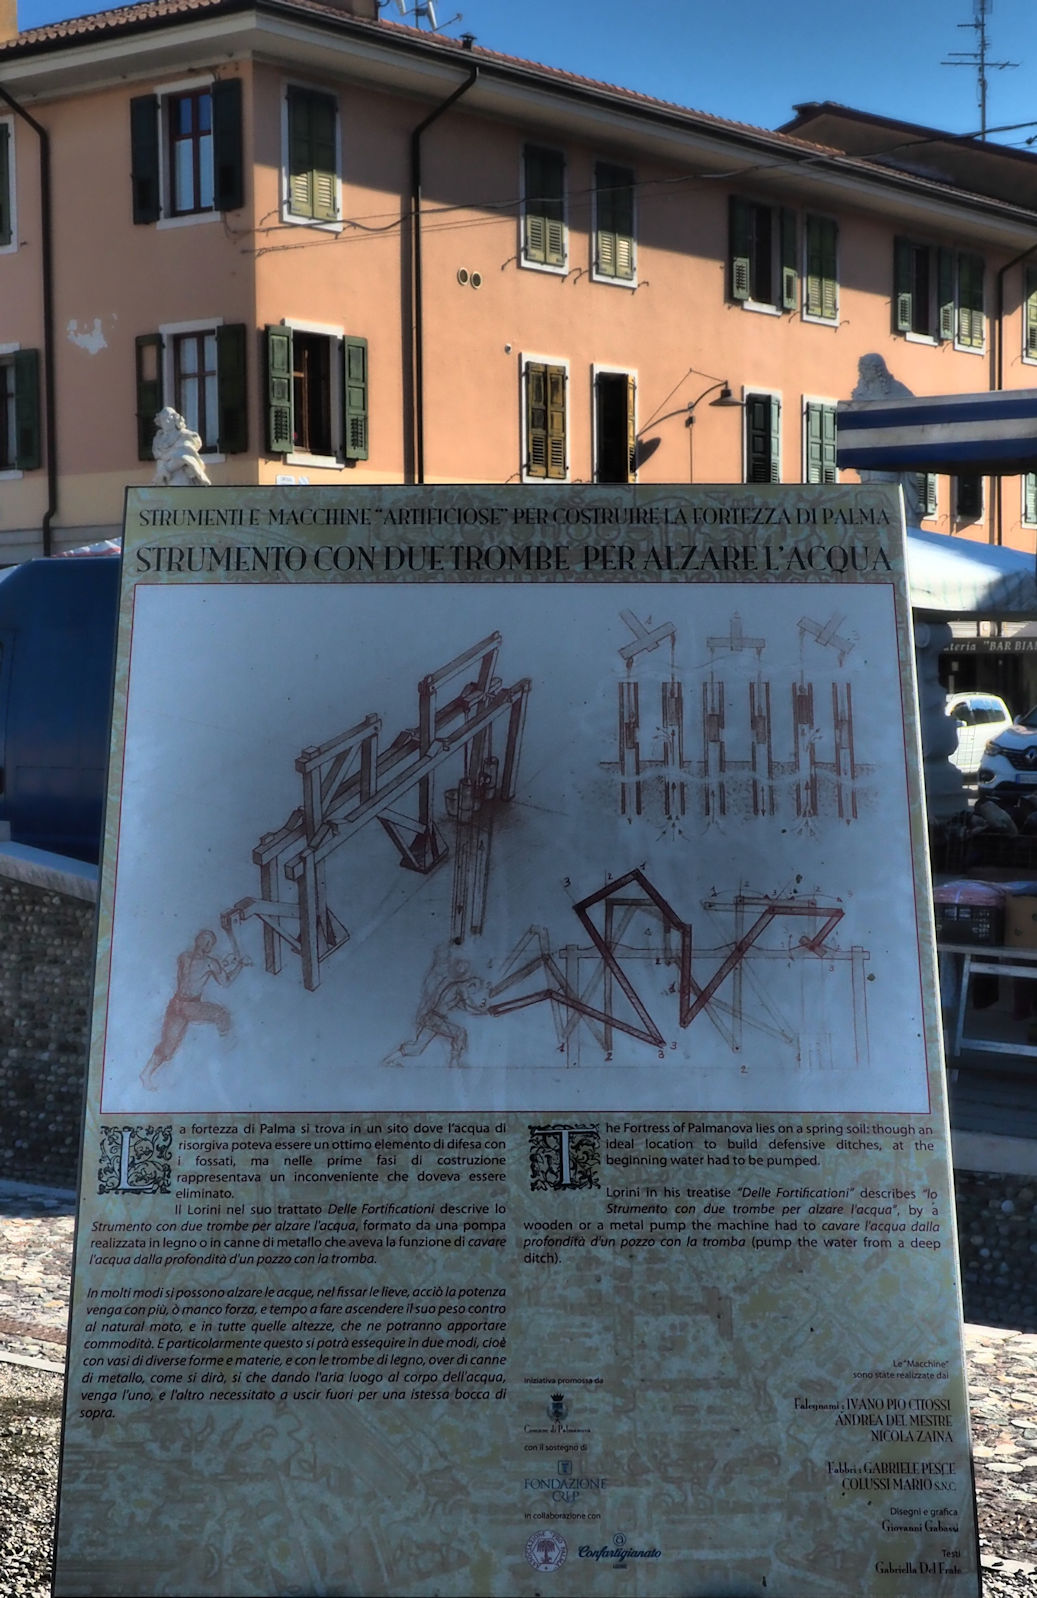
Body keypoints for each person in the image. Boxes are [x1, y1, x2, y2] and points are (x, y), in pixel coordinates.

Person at [141, 928, 247, 1089]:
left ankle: (146, 1073)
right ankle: (228, 1050)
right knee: (222, 1014)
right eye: (210, 943)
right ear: (207, 945)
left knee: (167, 1046)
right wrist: (239, 965)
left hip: (176, 1004)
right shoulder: (210, 962)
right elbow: (225, 981)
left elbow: (193, 973)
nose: (210, 946)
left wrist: (223, 964)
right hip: (190, 1006)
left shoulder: (183, 957)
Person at [384, 944, 488, 1069]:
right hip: (436, 1019)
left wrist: (480, 1010)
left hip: (432, 1018)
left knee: (417, 1048)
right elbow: (469, 1003)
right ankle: (454, 1063)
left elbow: (464, 1006)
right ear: (471, 983)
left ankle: (389, 1060)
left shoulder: (455, 987)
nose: (473, 991)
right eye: (474, 987)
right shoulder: (461, 987)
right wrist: (481, 1009)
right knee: (460, 1033)